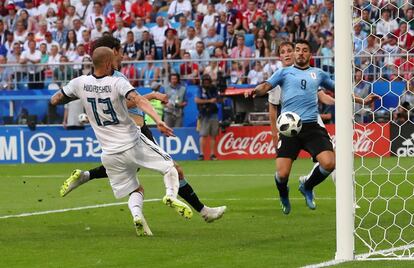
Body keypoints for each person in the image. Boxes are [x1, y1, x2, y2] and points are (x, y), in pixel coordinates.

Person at [59, 36, 226, 224]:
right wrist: (153, 97)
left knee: (128, 171)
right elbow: (130, 102)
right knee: (172, 169)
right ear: (113, 52)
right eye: (120, 51)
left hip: (118, 137)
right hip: (135, 130)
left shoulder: (90, 80)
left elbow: (68, 98)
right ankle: (201, 209)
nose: (122, 55)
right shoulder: (115, 77)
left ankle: (87, 177)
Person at [51, 47, 191, 236]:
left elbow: (56, 99)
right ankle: (170, 195)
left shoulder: (79, 83)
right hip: (132, 142)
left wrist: (70, 97)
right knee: (170, 168)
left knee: (135, 188)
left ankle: (137, 216)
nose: (117, 64)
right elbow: (139, 100)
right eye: (115, 61)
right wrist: (158, 120)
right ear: (108, 63)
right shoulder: (117, 83)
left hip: (109, 153)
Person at [258, 40, 378, 214]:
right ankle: (284, 194)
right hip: (289, 129)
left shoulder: (316, 74)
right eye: (295, 50)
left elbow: (334, 91)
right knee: (282, 174)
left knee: (330, 162)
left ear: (309, 54)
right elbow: (268, 98)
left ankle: (308, 186)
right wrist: (255, 92)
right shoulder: (281, 74)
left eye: (302, 50)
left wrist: (360, 100)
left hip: (312, 125)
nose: (297, 53)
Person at [195, 74, 220, 161]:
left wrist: (216, 99)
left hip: (213, 113)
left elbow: (218, 99)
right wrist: (209, 101)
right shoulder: (200, 89)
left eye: (207, 81)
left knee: (213, 135)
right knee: (203, 134)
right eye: (204, 81)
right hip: (204, 114)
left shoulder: (214, 89)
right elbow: (197, 100)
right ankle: (201, 154)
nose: (206, 82)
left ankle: (212, 154)